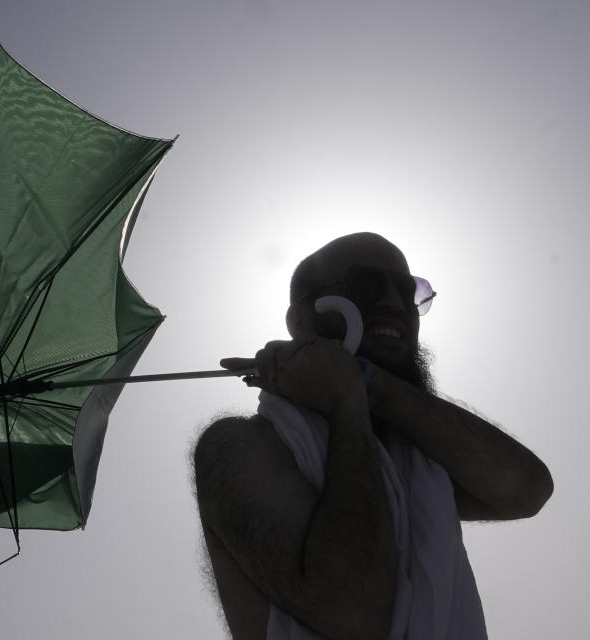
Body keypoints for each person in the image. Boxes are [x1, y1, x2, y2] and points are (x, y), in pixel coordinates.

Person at [193, 232, 553, 640]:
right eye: (365, 285)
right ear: (301, 321)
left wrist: (369, 382)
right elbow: (355, 611)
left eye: (407, 289)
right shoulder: (236, 446)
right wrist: (346, 403)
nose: (394, 303)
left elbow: (527, 488)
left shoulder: (417, 456)